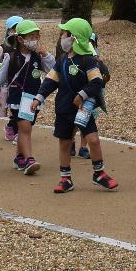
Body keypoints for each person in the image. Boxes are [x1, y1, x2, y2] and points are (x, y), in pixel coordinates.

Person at [43, 18, 117, 193]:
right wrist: (39, 97)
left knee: (93, 140)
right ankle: (65, 178)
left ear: (74, 38)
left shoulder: (88, 60)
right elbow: (50, 80)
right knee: (65, 144)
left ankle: (99, 173)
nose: (62, 37)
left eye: (64, 34)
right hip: (63, 109)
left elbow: (97, 81)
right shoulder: (61, 60)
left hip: (83, 109)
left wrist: (82, 95)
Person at [0, 20, 48, 175]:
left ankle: (19, 157)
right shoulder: (11, 57)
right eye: (31, 36)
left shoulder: (38, 57)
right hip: (17, 98)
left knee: (26, 127)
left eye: (36, 36)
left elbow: (53, 70)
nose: (35, 40)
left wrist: (45, 54)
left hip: (33, 98)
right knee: (25, 127)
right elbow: (1, 78)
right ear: (20, 39)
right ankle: (29, 159)